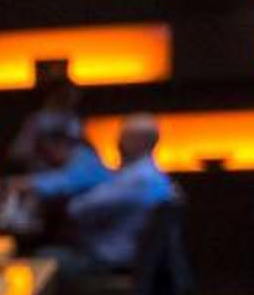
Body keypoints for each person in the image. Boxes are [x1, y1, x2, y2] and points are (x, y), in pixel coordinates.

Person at [49, 114, 176, 273]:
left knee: (45, 258)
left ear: (140, 141)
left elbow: (78, 209)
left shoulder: (137, 179)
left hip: (109, 260)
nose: (118, 143)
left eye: (123, 138)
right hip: (131, 258)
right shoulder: (156, 176)